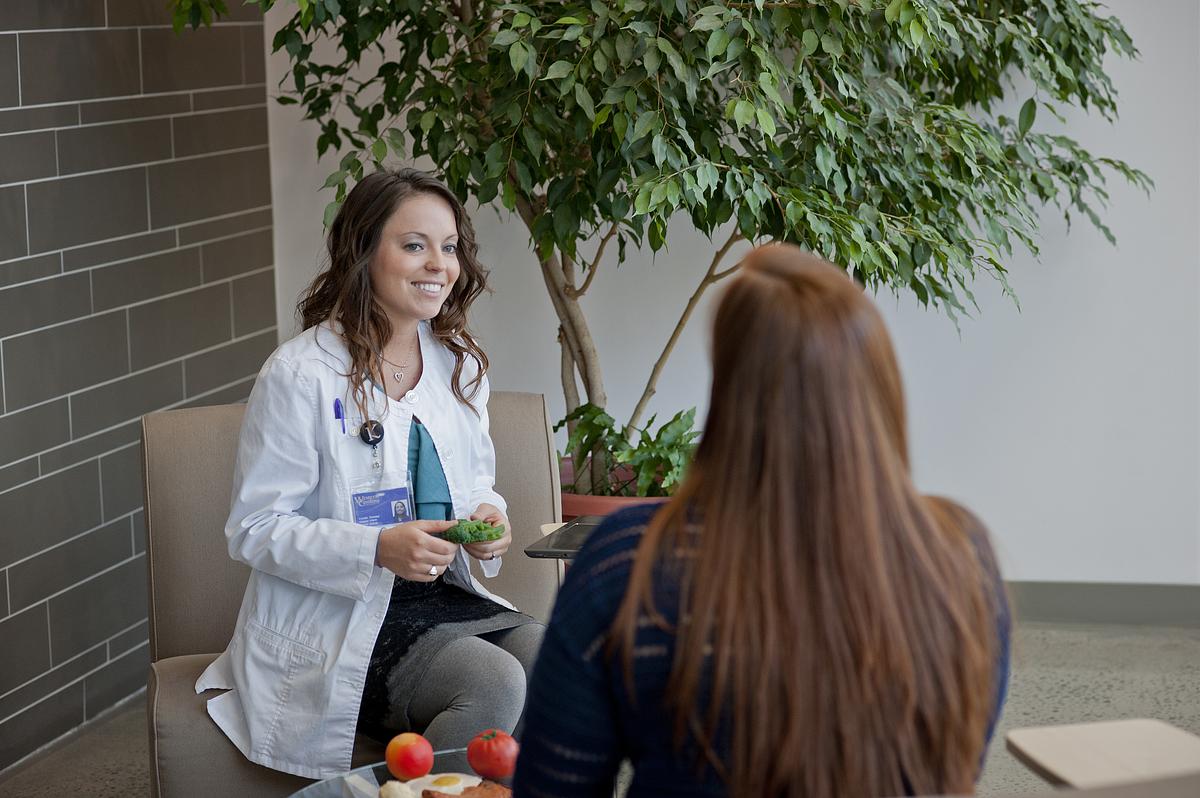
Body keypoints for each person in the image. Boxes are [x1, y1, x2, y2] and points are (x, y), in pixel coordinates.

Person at [514, 245, 1010, 798]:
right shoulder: (962, 554)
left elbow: (554, 786)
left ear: (731, 391)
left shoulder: (628, 564)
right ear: (879, 383)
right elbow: (958, 763)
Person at [196, 168, 544, 779]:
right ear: (363, 251)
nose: (439, 264)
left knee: (550, 656)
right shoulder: (301, 374)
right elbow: (254, 527)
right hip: (346, 611)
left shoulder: (458, 365)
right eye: (415, 245)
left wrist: (491, 519)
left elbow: (475, 484)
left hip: (441, 595)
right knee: (493, 680)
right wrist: (375, 548)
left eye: (450, 246)